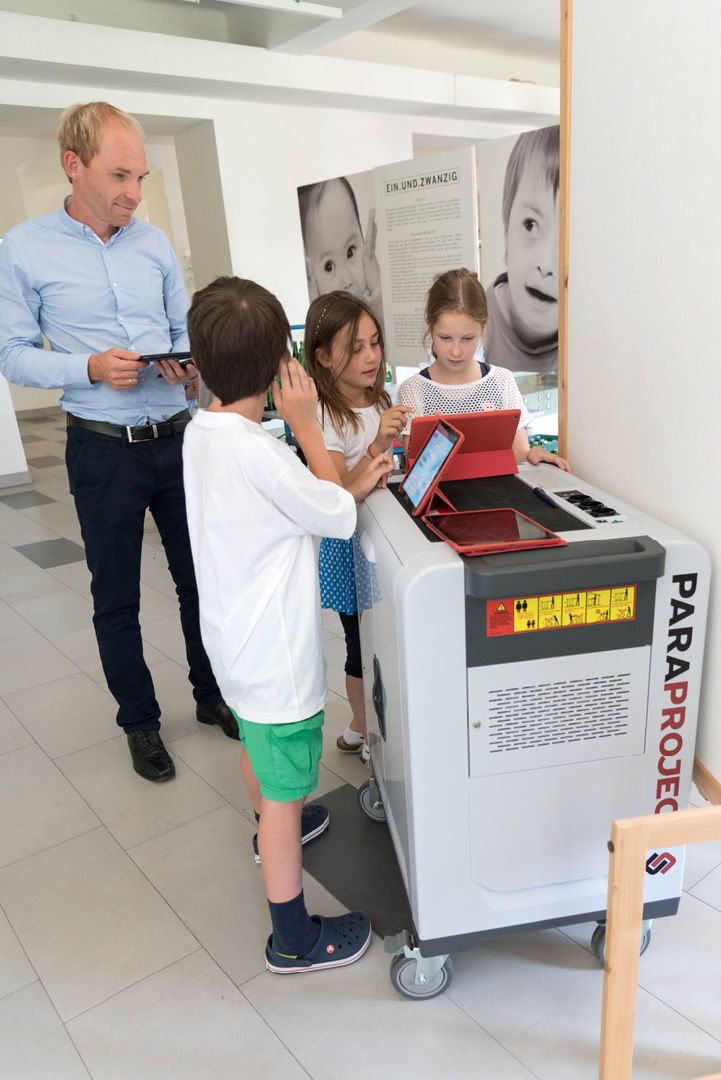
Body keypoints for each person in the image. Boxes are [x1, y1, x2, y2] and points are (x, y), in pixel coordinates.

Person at [0, 101, 236, 784]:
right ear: (73, 165)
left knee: (200, 581)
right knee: (117, 597)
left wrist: (185, 360)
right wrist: (90, 367)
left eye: (141, 177)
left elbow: (179, 328)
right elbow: (12, 354)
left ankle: (211, 694)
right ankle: (140, 723)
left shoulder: (153, 244)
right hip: (102, 449)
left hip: (177, 438)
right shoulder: (23, 248)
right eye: (120, 176)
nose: (134, 193)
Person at [183, 276, 391, 973]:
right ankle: (294, 938)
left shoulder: (204, 432)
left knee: (255, 745)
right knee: (281, 791)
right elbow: (335, 515)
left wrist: (347, 475)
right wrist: (305, 426)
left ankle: (279, 822)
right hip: (275, 656)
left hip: (232, 642)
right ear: (284, 365)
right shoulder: (264, 452)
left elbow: (315, 500)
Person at [304, 290, 412, 761]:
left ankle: (357, 724)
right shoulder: (325, 416)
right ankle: (368, 732)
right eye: (355, 349)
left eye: (374, 343)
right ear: (323, 358)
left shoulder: (380, 398)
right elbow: (338, 494)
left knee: (384, 637)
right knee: (359, 644)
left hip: (383, 537)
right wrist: (377, 446)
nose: (371, 357)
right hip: (350, 547)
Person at [397, 268, 571, 471]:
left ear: (483, 326)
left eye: (467, 338)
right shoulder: (413, 390)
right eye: (445, 338)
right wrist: (438, 440)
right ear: (430, 326)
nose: (456, 351)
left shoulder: (502, 381)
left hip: (496, 489)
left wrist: (532, 454)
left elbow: (518, 454)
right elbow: (416, 471)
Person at [484, 125, 560, 374]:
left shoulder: (587, 336)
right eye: (530, 224)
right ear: (507, 225)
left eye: (566, 241)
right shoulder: (476, 327)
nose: (546, 264)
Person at [298, 177, 384, 332]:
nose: (347, 280)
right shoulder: (322, 332)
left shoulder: (374, 309)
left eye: (350, 252)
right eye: (329, 266)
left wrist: (378, 293)